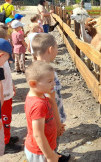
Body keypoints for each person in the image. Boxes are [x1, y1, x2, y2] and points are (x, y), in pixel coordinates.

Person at [32, 33, 70, 161]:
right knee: (53, 139)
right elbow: (51, 99)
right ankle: (53, 156)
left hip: (43, 116)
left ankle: (54, 155)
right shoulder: (48, 73)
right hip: (52, 116)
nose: (57, 50)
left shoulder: (34, 68)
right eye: (57, 47)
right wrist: (58, 123)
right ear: (50, 50)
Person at [24, 61, 60, 162]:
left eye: (53, 80)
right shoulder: (38, 105)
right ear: (33, 83)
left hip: (43, 148)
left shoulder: (39, 94)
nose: (54, 83)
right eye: (49, 81)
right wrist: (49, 156)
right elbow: (38, 134)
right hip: (40, 152)